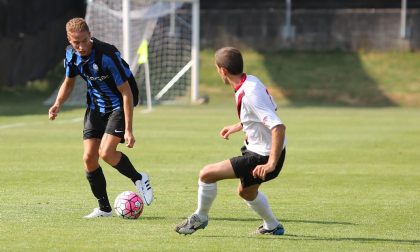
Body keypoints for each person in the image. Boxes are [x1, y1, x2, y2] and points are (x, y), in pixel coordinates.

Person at [48, 17, 153, 218]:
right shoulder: (71, 55)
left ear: (90, 35)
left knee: (106, 153)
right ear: (69, 41)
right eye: (75, 42)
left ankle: (139, 178)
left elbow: (126, 92)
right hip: (96, 108)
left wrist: (129, 129)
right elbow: (69, 83)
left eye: (84, 40)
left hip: (118, 107)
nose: (80, 46)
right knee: (88, 158)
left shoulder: (107, 55)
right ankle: (104, 208)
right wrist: (57, 104)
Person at [175, 47, 287, 235]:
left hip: (263, 156)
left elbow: (278, 127)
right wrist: (238, 126)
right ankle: (273, 226)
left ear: (222, 71)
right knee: (246, 192)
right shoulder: (250, 81)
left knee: (206, 174)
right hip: (259, 149)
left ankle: (200, 217)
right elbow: (262, 113)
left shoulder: (249, 92)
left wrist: (271, 164)